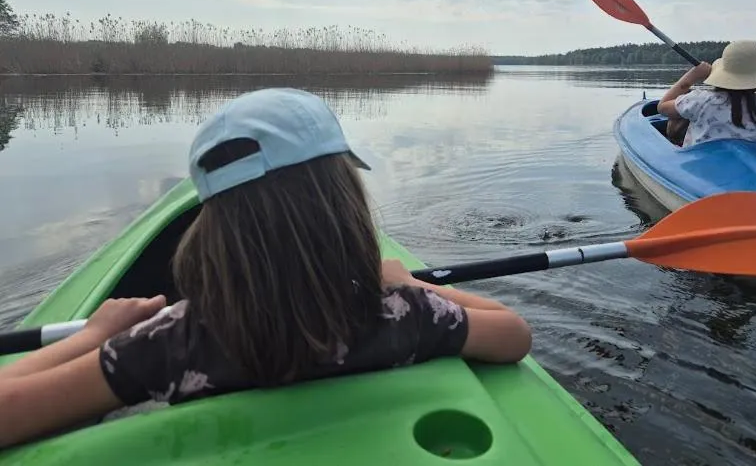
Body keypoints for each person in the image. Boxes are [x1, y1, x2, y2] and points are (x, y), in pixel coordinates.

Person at [0, 88, 532, 448]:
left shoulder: (170, 342)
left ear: (212, 230)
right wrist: (408, 282)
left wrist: (91, 337)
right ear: (344, 211)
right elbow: (513, 335)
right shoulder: (405, 314)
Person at [657, 40, 756, 147]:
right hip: (741, 169)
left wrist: (693, 75)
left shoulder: (699, 100)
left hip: (698, 166)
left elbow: (662, 107)